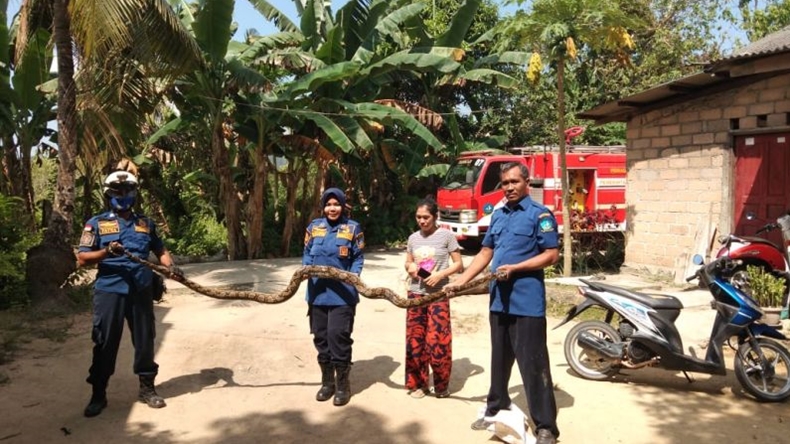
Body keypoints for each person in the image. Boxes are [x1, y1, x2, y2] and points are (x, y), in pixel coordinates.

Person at [445, 162, 561, 444]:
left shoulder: (540, 215)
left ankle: (546, 425)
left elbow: (551, 255)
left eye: (514, 182)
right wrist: (462, 280)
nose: (509, 187)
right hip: (499, 300)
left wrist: (516, 268)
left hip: (527, 302)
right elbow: (486, 251)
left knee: (533, 363)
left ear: (527, 182)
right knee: (499, 359)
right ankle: (495, 406)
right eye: (504, 183)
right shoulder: (498, 215)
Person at [77, 170, 182, 418]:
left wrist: (171, 267)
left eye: (128, 191)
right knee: (105, 342)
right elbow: (82, 258)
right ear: (108, 194)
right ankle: (98, 394)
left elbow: (161, 249)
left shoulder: (145, 223)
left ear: (135, 194)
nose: (123, 195)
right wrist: (105, 253)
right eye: (118, 191)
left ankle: (147, 389)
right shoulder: (96, 223)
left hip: (141, 291)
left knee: (145, 340)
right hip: (110, 292)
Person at [303, 187, 365, 406]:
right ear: (323, 206)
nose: (332, 208)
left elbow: (358, 258)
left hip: (343, 296)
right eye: (328, 204)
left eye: (336, 204)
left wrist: (353, 276)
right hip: (317, 294)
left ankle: (343, 386)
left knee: (338, 337)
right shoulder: (314, 227)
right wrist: (306, 269)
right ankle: (327, 383)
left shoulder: (353, 228)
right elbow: (307, 253)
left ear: (342, 205)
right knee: (320, 337)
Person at [403, 197, 463, 398]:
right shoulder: (413, 238)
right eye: (418, 217)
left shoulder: (446, 236)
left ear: (435, 216)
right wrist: (410, 268)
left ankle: (441, 385)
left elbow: (458, 264)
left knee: (438, 341)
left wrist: (441, 274)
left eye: (426, 217)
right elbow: (408, 262)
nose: (422, 221)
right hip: (416, 295)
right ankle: (418, 384)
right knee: (415, 341)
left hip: (438, 295)